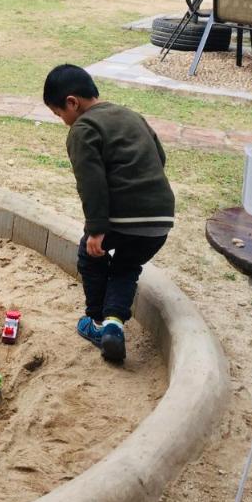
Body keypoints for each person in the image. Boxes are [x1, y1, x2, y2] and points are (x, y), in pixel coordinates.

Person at [43, 64, 175, 363]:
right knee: (125, 266)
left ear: (72, 102)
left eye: (58, 113)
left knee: (91, 255)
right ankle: (114, 325)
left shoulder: (83, 129)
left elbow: (91, 182)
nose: (63, 121)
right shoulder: (131, 116)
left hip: (124, 218)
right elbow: (160, 157)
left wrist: (97, 228)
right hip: (161, 219)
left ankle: (97, 322)